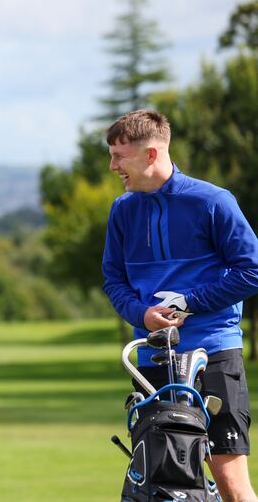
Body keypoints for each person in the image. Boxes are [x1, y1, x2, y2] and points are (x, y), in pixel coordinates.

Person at [102, 109, 258, 502]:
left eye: (119, 156)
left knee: (230, 481)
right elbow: (114, 280)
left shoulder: (213, 202)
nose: (113, 166)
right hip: (154, 361)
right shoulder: (122, 210)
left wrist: (189, 303)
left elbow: (251, 270)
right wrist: (142, 315)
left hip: (215, 354)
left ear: (151, 154)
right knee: (162, 483)